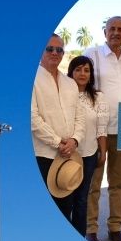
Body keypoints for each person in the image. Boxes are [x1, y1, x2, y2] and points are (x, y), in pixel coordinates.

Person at [82, 16, 121, 241]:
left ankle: (116, 228)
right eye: (112, 29)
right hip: (97, 131)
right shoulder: (93, 54)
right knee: (93, 184)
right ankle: (90, 230)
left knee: (118, 184)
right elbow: (80, 83)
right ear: (105, 31)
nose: (116, 33)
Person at [32, 34, 83, 208]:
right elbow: (32, 118)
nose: (55, 52)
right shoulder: (32, 81)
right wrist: (57, 143)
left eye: (59, 49)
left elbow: (80, 116)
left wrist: (75, 140)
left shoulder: (70, 83)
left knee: (65, 206)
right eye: (50, 49)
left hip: (69, 155)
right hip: (44, 155)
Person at [65, 56, 108, 235]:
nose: (82, 73)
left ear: (91, 75)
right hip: (66, 155)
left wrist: (103, 153)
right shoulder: (63, 95)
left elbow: (102, 128)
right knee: (65, 198)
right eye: (78, 69)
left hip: (88, 154)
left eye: (86, 70)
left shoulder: (98, 97)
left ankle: (79, 236)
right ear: (71, 72)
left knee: (82, 199)